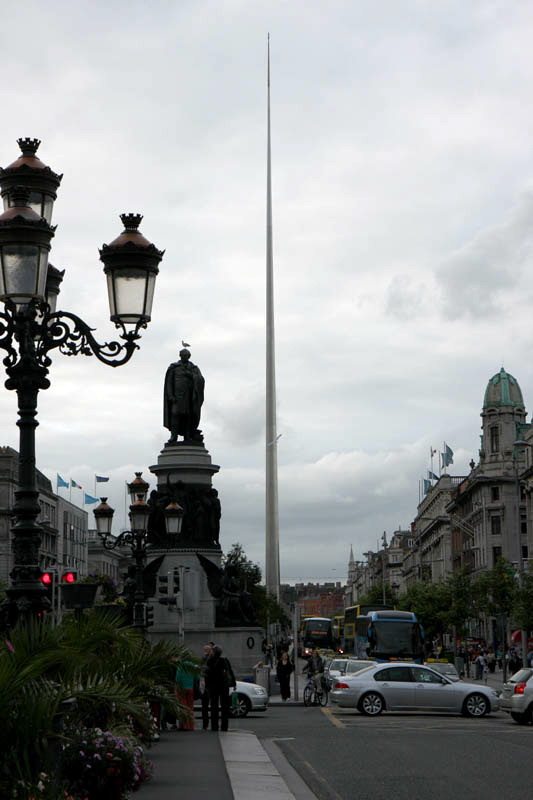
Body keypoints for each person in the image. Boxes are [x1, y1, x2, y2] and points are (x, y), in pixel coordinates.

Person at [163, 348, 205, 443]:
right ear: (180, 356)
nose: (184, 357)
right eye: (182, 355)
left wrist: (190, 375)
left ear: (189, 357)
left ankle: (187, 436)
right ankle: (174, 436)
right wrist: (170, 395)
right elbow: (169, 383)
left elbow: (200, 380)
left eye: (186, 356)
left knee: (188, 416)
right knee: (175, 415)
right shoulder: (174, 367)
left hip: (189, 397)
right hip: (177, 397)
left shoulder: (194, 368)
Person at [205, 644, 236, 732]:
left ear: (214, 652)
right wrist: (233, 683)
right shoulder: (224, 660)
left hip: (213, 686)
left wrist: (207, 686)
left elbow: (207, 674)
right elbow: (230, 671)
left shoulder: (210, 661)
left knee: (214, 706)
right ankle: (224, 726)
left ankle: (214, 726)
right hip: (224, 685)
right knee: (225, 707)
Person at [175, 659, 200, 730]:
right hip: (190, 689)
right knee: (190, 707)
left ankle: (184, 726)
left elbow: (177, 678)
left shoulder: (181, 666)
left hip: (182, 689)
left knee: (183, 707)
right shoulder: (192, 666)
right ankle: (191, 726)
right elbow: (197, 677)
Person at [200, 643, 213, 730]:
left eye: (207, 650)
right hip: (205, 684)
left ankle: (206, 724)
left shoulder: (210, 659)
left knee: (207, 705)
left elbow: (204, 670)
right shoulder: (204, 658)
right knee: (205, 705)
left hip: (208, 684)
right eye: (204, 650)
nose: (205, 651)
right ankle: (205, 723)